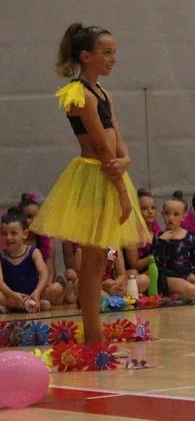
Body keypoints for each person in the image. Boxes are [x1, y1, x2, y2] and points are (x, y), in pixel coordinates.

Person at [30, 24, 151, 345]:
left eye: (114, 53)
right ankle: (93, 337)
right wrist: (122, 190)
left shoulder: (103, 93)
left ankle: (94, 334)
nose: (113, 59)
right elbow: (99, 145)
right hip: (96, 177)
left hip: (111, 173)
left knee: (99, 260)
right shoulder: (79, 94)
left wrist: (126, 160)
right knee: (93, 261)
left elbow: (117, 139)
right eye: (106, 53)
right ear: (86, 55)